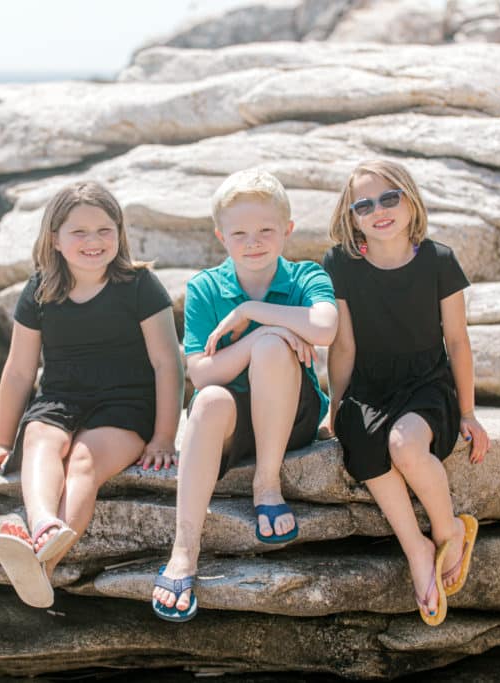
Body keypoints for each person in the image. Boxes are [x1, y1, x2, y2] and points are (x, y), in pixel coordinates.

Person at [0, 181, 183, 608]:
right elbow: (19, 371)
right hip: (60, 399)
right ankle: (45, 522)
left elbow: (168, 364)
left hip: (125, 404)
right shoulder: (40, 290)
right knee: (41, 441)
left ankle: (40, 564)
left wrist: (163, 438)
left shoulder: (140, 285)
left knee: (83, 461)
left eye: (105, 230)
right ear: (55, 239)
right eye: (79, 232)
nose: (93, 241)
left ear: (119, 233)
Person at [151, 169, 338, 622]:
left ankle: (267, 483)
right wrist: (259, 336)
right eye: (240, 233)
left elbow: (326, 328)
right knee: (212, 397)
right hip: (231, 423)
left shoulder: (306, 277)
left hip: (290, 416)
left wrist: (253, 312)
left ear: (287, 231)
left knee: (274, 348)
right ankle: (184, 549)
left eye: (266, 231)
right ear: (221, 237)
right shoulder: (204, 287)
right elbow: (201, 371)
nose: (253, 242)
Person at [321, 159, 489, 626]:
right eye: (364, 204)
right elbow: (344, 343)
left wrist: (470, 412)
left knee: (403, 446)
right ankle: (415, 548)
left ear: (410, 201)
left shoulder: (439, 260)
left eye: (389, 198)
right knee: (361, 441)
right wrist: (335, 406)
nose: (379, 210)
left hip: (427, 386)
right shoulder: (340, 264)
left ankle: (448, 528)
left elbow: (457, 340)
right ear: (351, 216)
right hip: (370, 387)